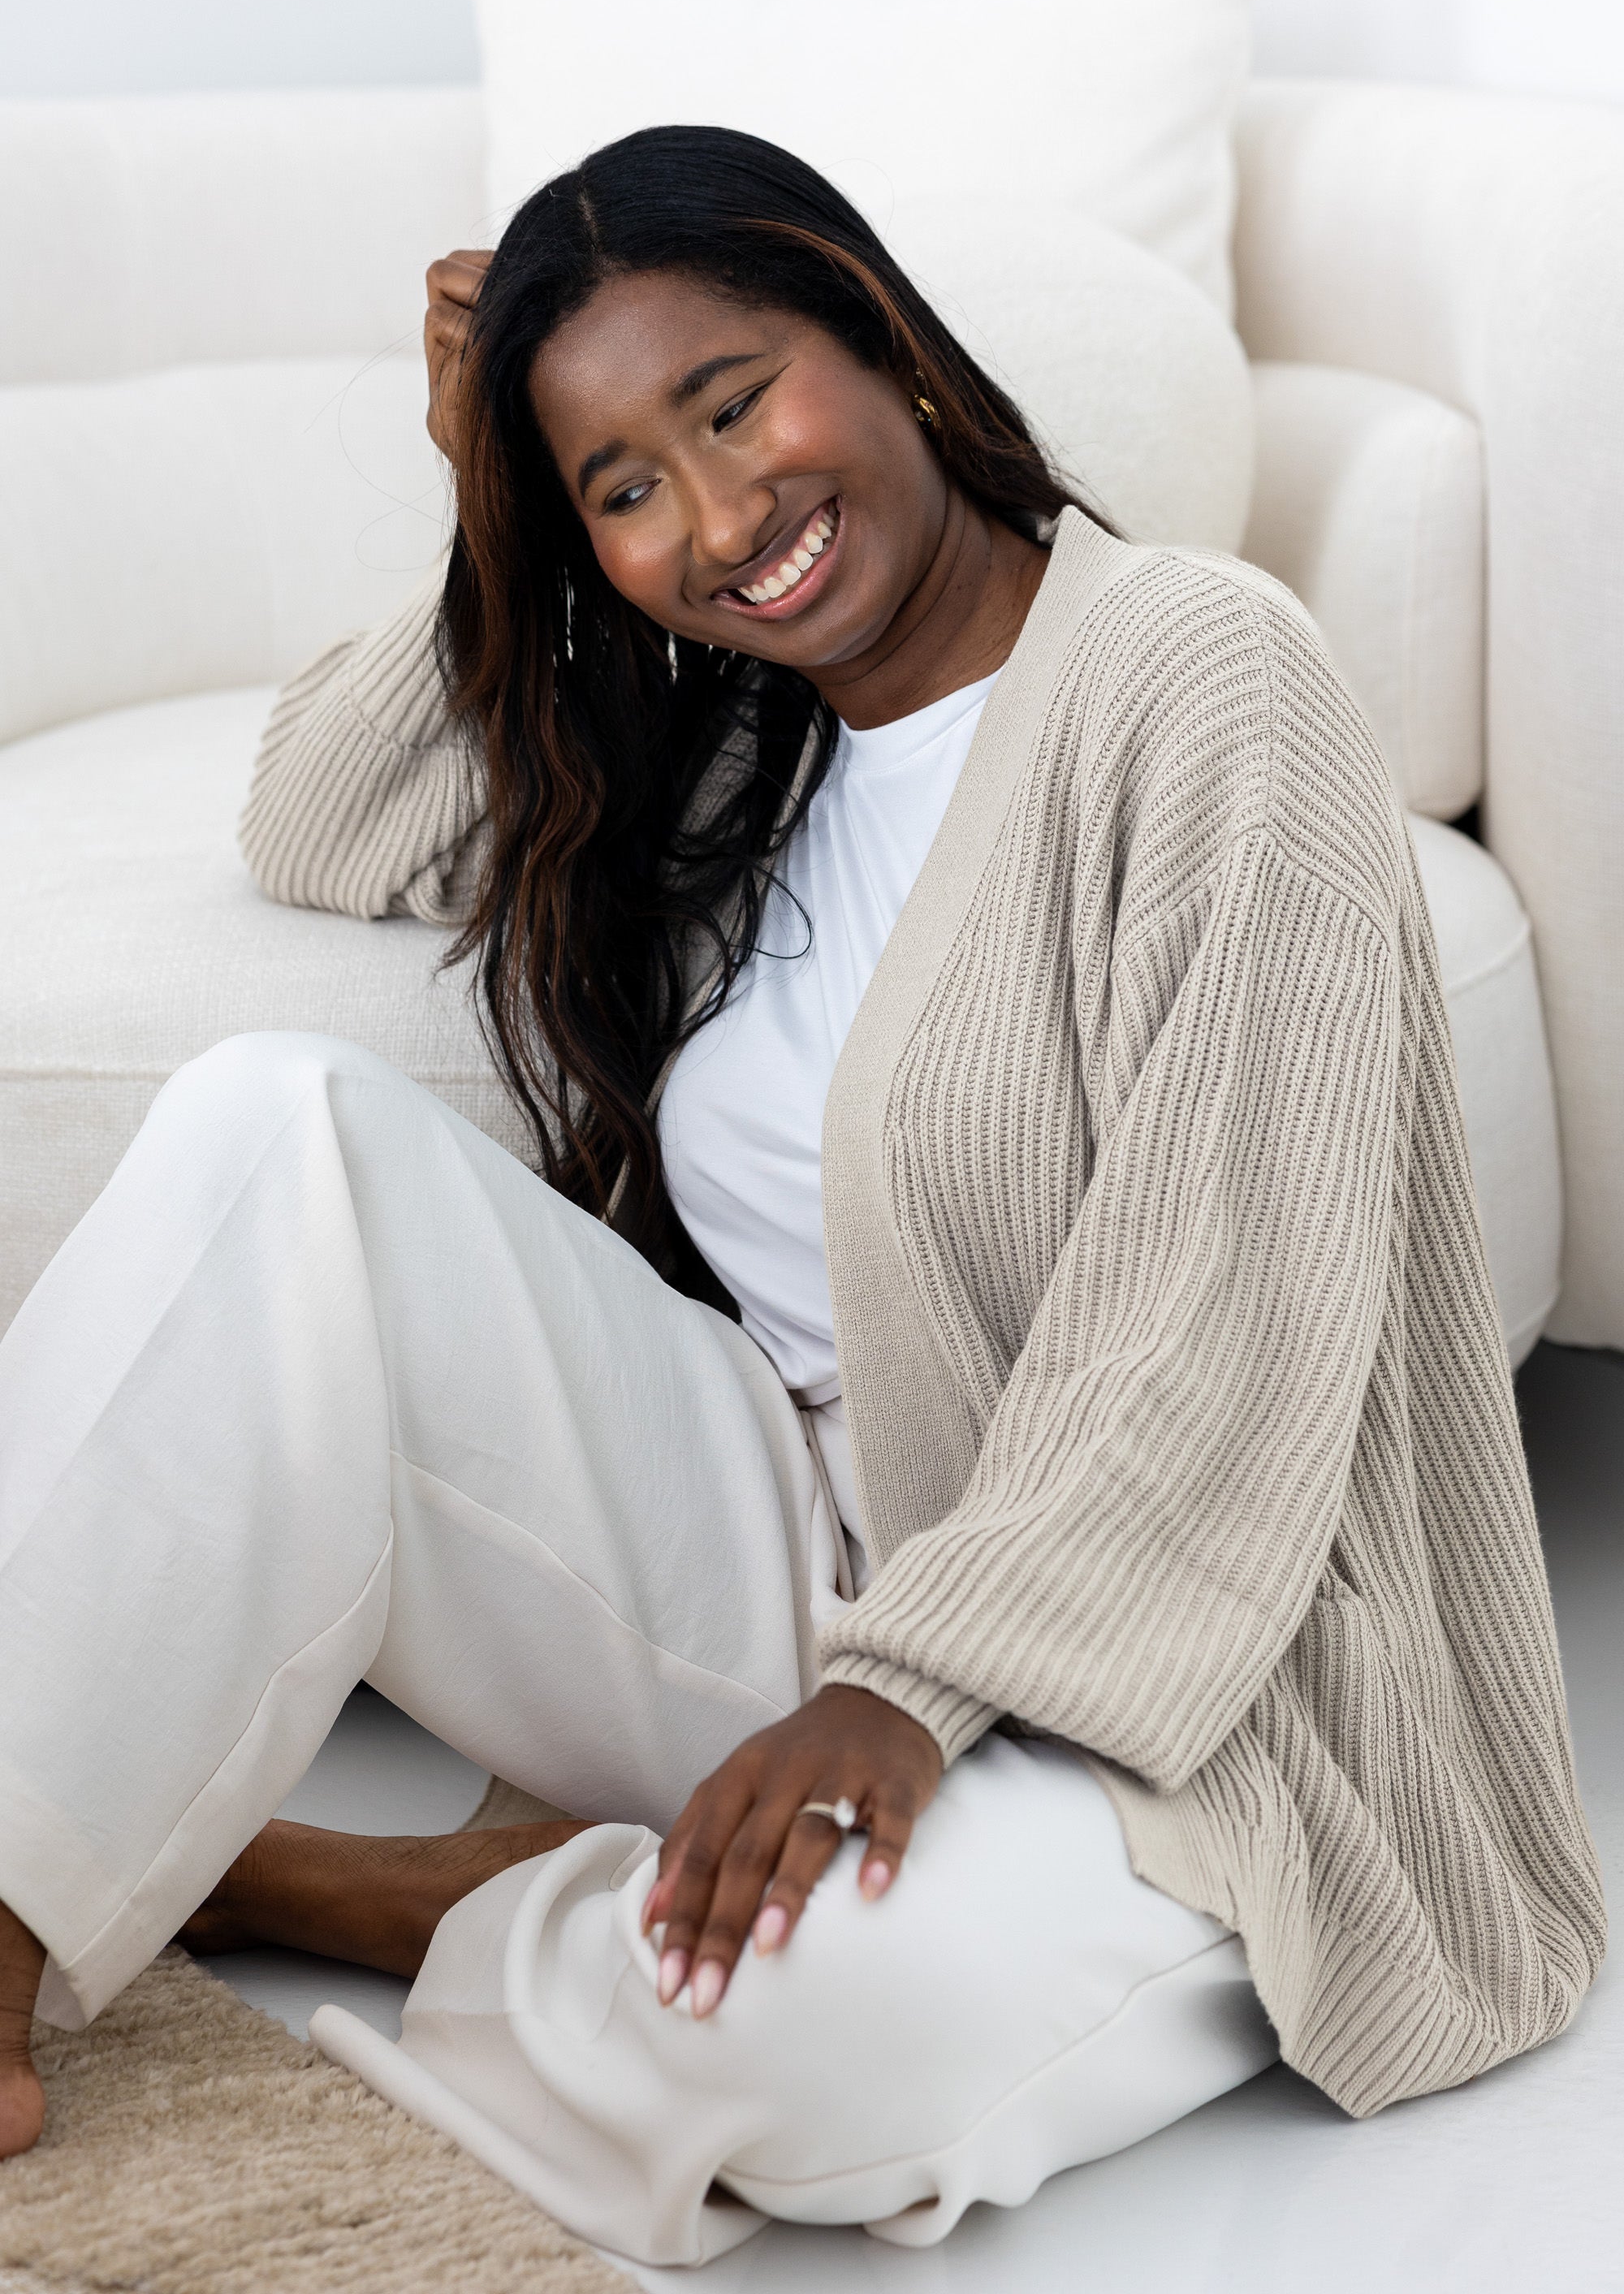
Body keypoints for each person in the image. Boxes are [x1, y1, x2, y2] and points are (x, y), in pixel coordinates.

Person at [0, 126, 1603, 2264]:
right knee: (269, 1133)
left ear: (880, 332)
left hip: (1205, 1695)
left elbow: (1233, 1303)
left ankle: (406, 1892)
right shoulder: (740, 748)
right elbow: (320, 820)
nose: (723, 518)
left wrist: (906, 1686)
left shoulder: (1201, 675)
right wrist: (485, 483)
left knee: (813, 2045)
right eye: (627, 487)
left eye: (737, 402)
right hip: (815, 1559)